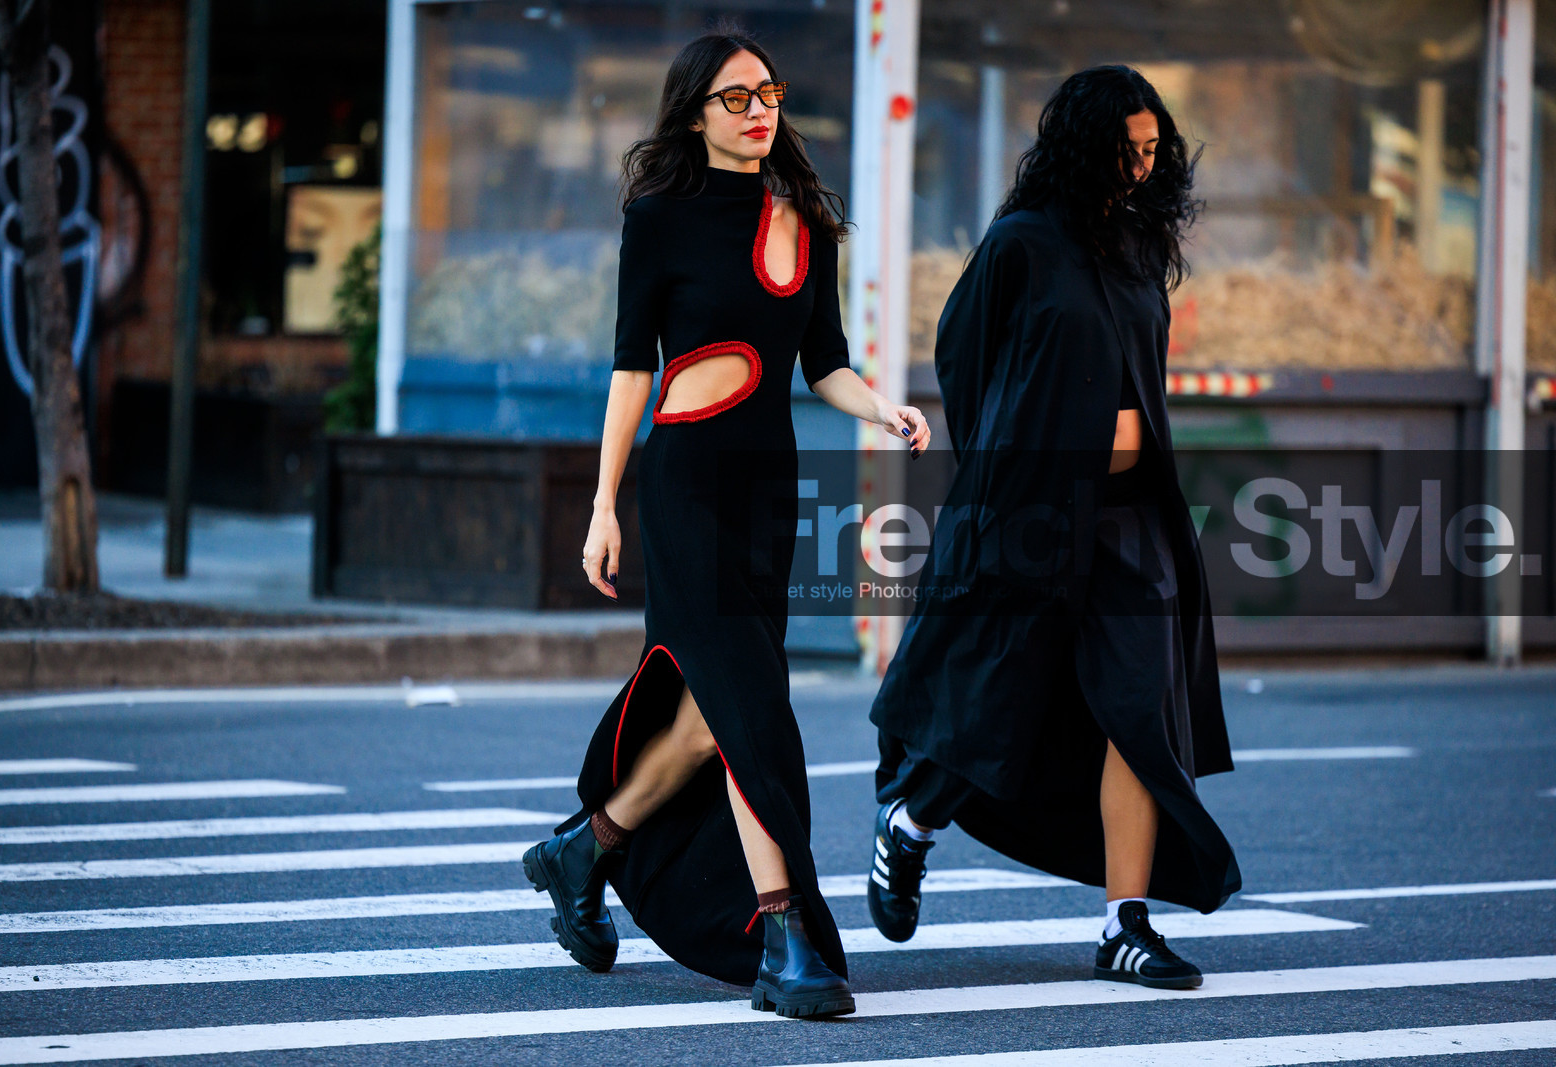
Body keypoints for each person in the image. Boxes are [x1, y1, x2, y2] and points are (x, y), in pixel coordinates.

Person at [522, 27, 931, 1020]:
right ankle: (781, 930)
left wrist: (882, 407)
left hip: (764, 495)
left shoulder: (808, 217)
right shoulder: (658, 218)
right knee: (752, 708)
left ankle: (588, 845)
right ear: (694, 110)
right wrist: (602, 503)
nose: (759, 113)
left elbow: (822, 362)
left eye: (769, 94)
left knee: (712, 717)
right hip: (684, 492)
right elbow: (631, 367)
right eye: (736, 98)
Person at [865, 65, 1241, 990]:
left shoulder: (1137, 243)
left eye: (1156, 153)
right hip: (1031, 512)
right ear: (1085, 146)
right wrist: (1014, 456)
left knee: (1138, 711)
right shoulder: (1023, 244)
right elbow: (965, 352)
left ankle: (1124, 923)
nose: (1145, 170)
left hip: (1129, 519)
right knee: (1000, 694)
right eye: (1128, 152)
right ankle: (910, 824)